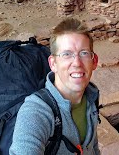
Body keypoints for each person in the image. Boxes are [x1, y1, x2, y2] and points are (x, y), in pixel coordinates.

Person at [10, 18, 100, 155]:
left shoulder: (91, 98)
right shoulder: (36, 111)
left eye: (84, 53)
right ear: (53, 64)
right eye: (66, 54)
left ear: (94, 62)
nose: (77, 63)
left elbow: (92, 146)